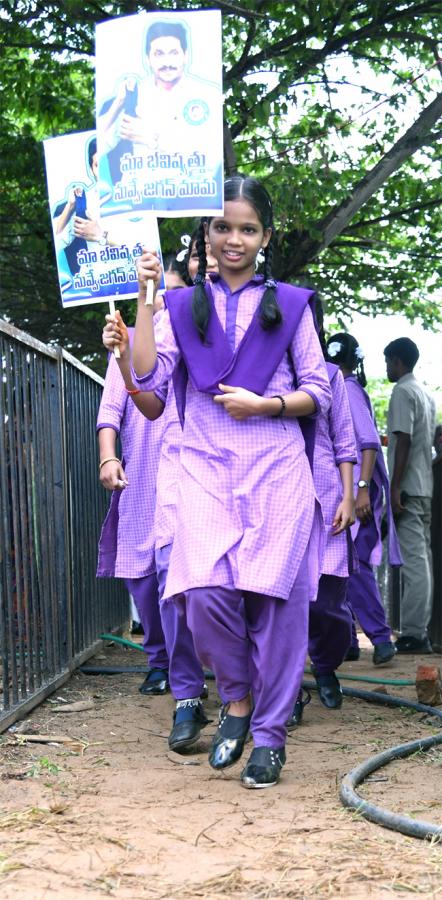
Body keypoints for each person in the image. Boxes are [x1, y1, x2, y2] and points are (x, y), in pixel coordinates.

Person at [121, 174, 331, 789]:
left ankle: (269, 736)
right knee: (201, 591)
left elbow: (317, 389)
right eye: (222, 227)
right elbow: (150, 380)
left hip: (275, 466)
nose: (233, 239)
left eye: (246, 228)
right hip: (206, 465)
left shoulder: (290, 306)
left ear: (265, 236)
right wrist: (143, 297)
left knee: (278, 605)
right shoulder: (182, 307)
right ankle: (236, 697)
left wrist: (266, 405)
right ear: (206, 234)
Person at [102, 244, 218, 753]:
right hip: (165, 472)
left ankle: (248, 689)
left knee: (221, 586)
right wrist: (127, 359)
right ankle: (184, 688)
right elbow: (143, 401)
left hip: (233, 465)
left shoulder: (260, 311)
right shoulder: (155, 325)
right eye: (207, 243)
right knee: (161, 578)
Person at [97, 255, 190, 696]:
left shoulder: (193, 335)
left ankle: (185, 665)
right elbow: (111, 410)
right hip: (141, 475)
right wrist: (108, 458)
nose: (163, 302)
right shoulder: (130, 340)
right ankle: (158, 659)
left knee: (179, 574)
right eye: (157, 292)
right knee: (142, 572)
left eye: (172, 293)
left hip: (187, 472)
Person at [289, 300, 357, 726]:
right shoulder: (268, 374)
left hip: (328, 498)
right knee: (286, 601)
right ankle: (291, 689)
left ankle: (327, 663)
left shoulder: (332, 378)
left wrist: (350, 496)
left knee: (326, 601)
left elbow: (346, 443)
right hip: (281, 496)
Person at [327, 333, 401, 665]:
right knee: (341, 568)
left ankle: (382, 639)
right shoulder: (342, 387)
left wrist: (361, 490)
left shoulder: (348, 390)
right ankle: (347, 642)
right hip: (351, 494)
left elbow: (368, 443)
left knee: (355, 569)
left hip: (360, 496)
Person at [98, 19, 222, 206]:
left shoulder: (207, 94)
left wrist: (153, 138)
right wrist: (119, 102)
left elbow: (211, 162)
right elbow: (99, 145)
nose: (167, 62)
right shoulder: (134, 93)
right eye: (158, 54)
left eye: (173, 53)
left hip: (188, 202)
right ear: (148, 58)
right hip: (137, 202)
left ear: (185, 55)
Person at [384, 337, 436, 654]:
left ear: (399, 362)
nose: (387, 368)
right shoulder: (425, 393)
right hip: (424, 486)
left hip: (408, 488)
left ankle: (414, 634)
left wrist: (394, 486)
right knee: (423, 560)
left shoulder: (403, 390)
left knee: (414, 563)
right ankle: (419, 631)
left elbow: (404, 439)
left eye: (388, 362)